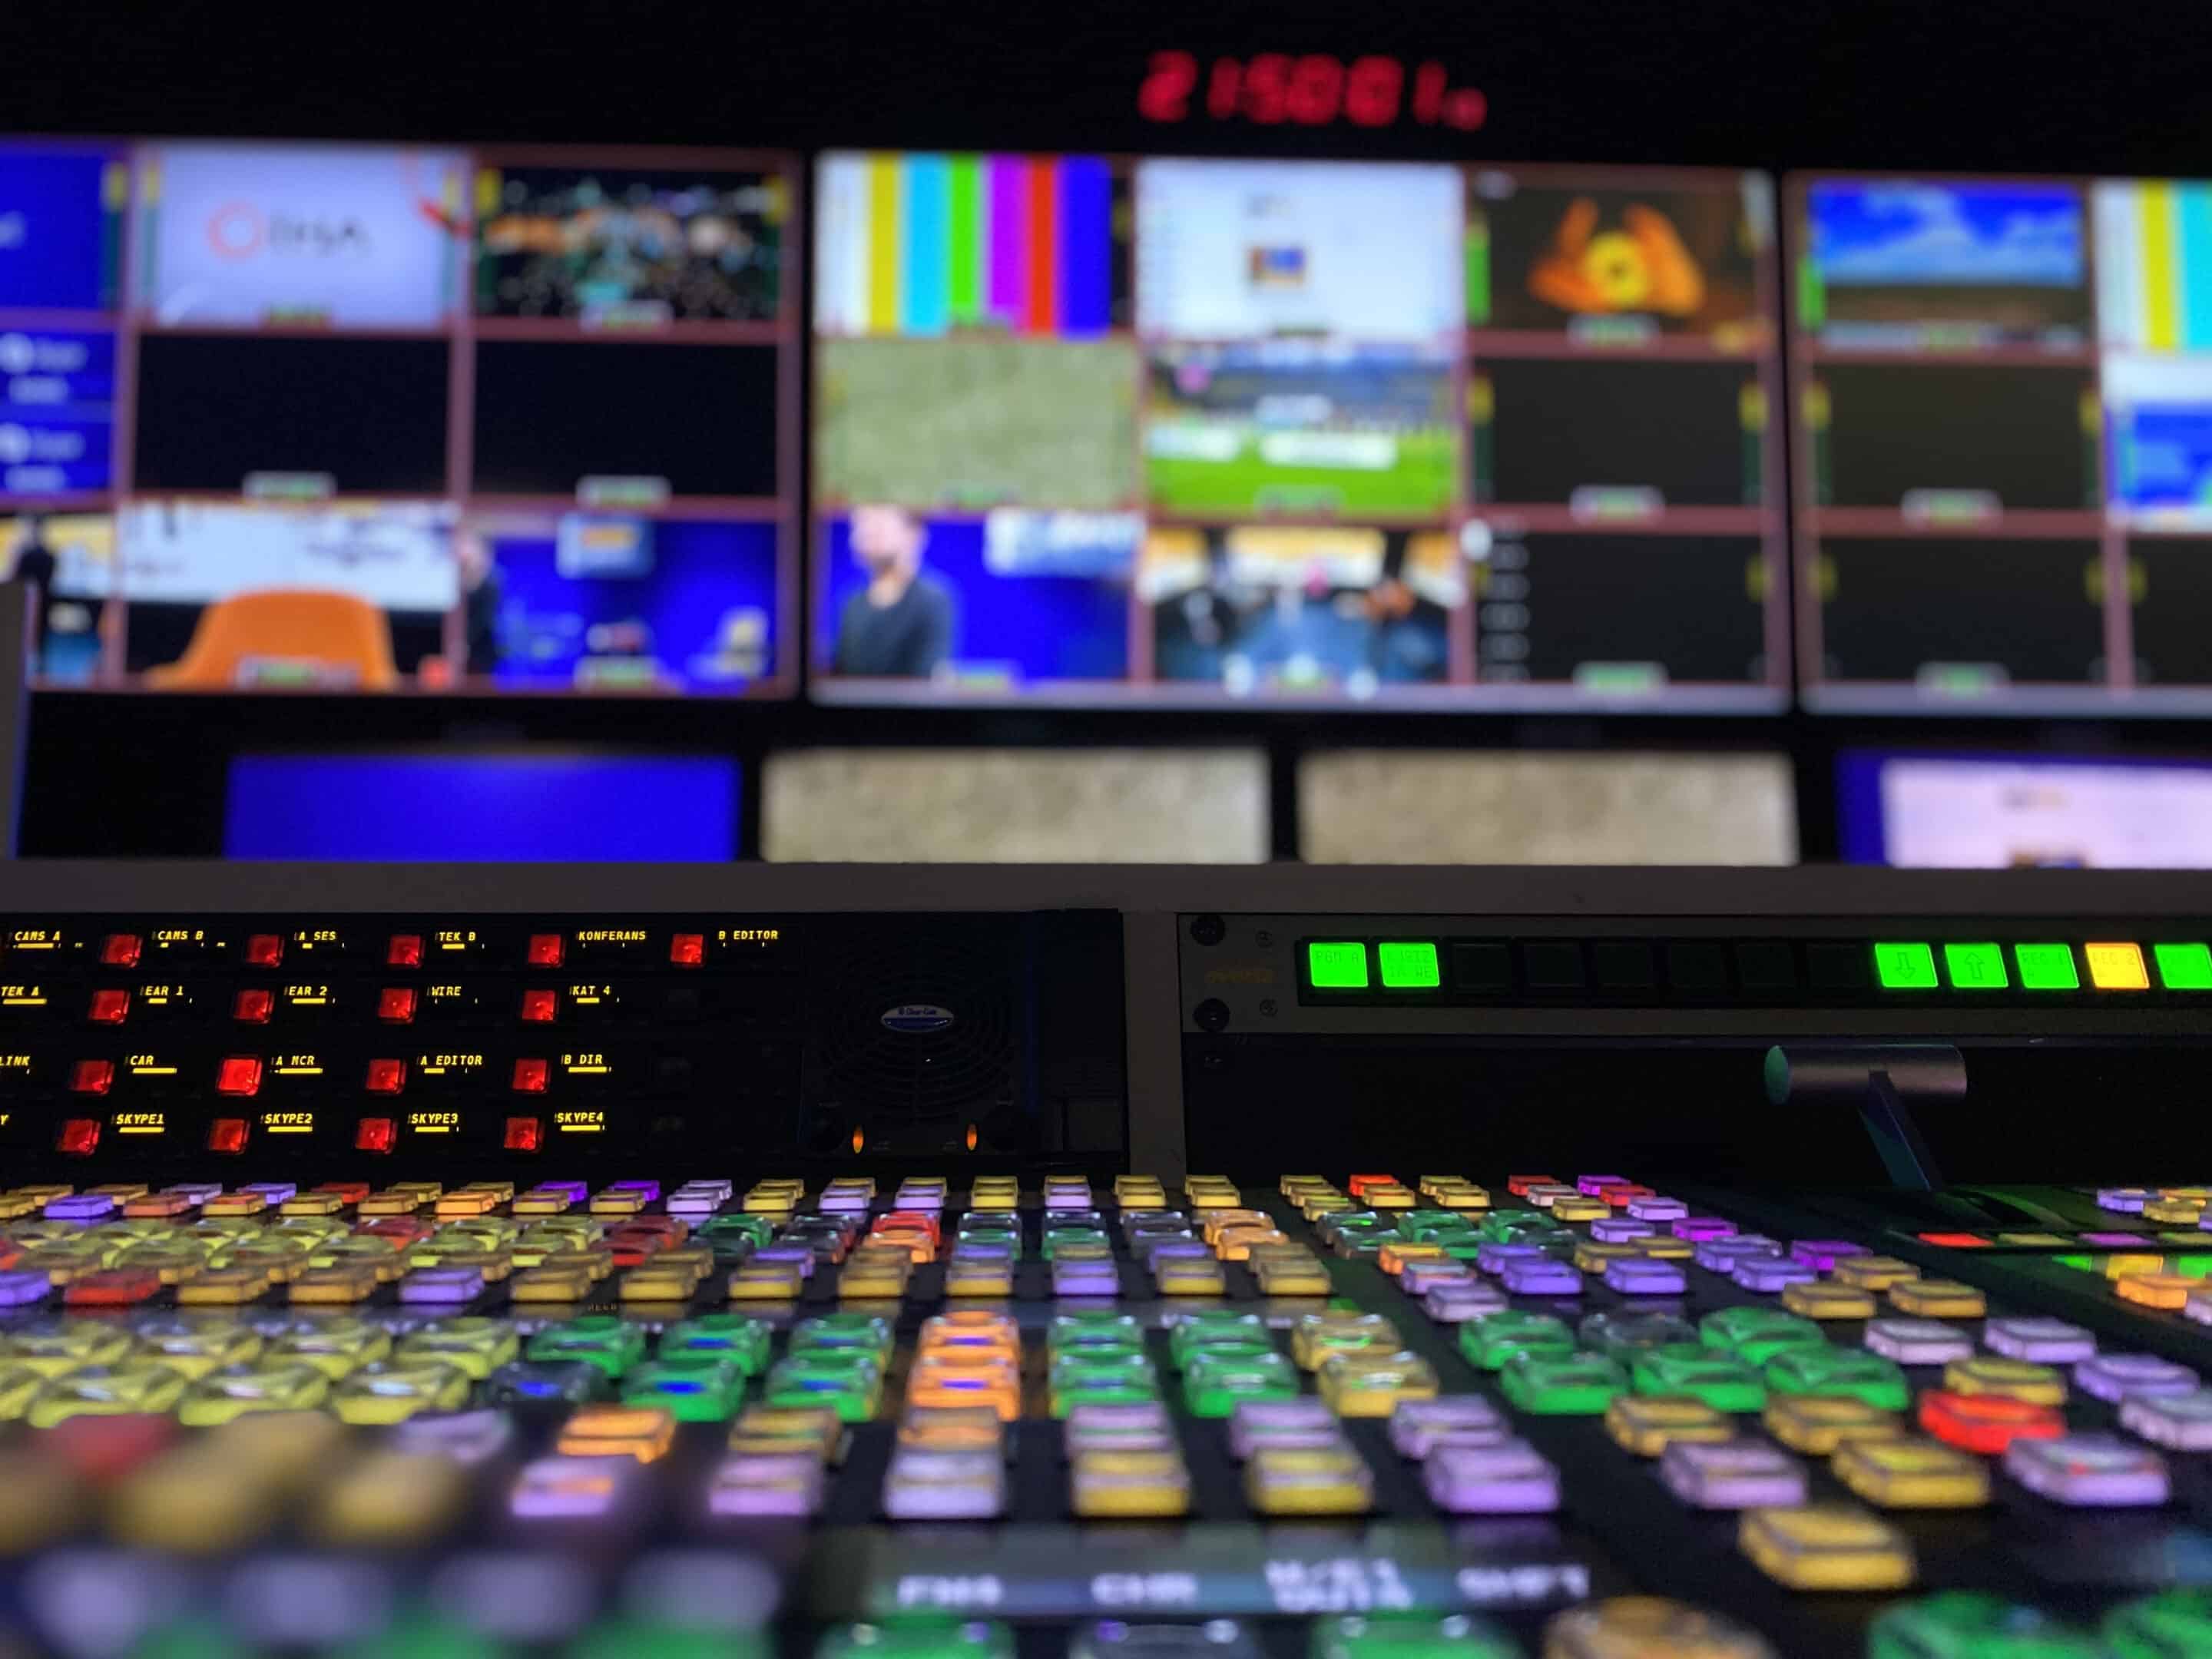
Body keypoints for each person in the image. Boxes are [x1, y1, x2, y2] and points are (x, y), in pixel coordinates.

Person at [833, 505, 955, 677]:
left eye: (877, 524)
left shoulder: (934, 600)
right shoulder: (852, 602)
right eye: (860, 525)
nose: (865, 534)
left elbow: (927, 676)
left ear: (913, 533)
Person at [455, 527, 504, 677]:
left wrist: (464, 642)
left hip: (481, 653)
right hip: (457, 649)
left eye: (470, 546)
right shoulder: (455, 581)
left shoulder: (491, 583)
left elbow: (483, 619)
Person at [11, 515, 57, 664]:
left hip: (26, 612)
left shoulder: (27, 556)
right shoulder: (49, 556)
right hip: (37, 611)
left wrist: (16, 556)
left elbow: (13, 581)